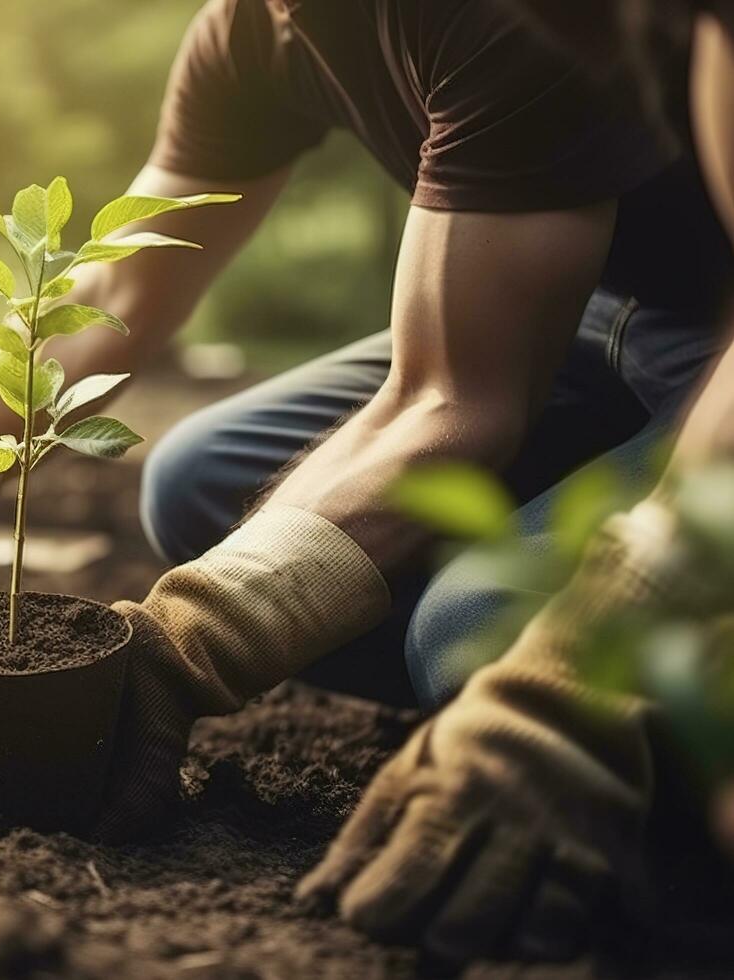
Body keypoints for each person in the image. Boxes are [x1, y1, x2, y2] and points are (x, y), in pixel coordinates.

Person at [0, 0, 733, 959]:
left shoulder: (487, 16)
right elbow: (115, 290)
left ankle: (627, 737)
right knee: (199, 483)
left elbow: (451, 406)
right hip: (594, 307)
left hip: (710, 342)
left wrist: (194, 642)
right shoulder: (253, 31)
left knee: (474, 633)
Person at [298, 0, 734, 957]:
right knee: (209, 486)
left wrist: (567, 689)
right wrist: (214, 620)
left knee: (471, 633)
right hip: (660, 333)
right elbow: (448, 391)